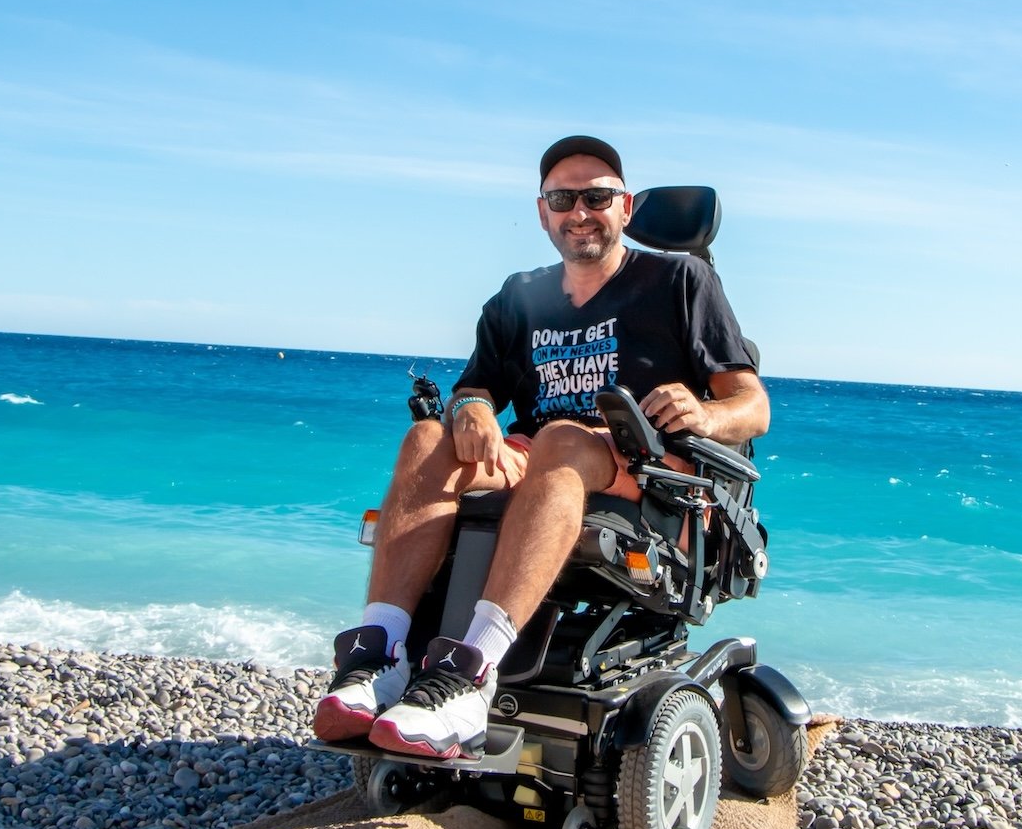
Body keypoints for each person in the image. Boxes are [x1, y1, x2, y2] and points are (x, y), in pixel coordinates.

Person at [313, 136, 769, 759]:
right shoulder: (519, 295)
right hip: (541, 462)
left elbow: (753, 405)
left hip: (643, 471)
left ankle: (470, 673)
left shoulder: (679, 281)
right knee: (426, 436)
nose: (579, 211)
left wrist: (704, 413)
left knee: (559, 437)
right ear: (542, 212)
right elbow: (476, 386)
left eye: (597, 196)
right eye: (563, 198)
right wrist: (471, 406)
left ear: (626, 207)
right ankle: (380, 655)